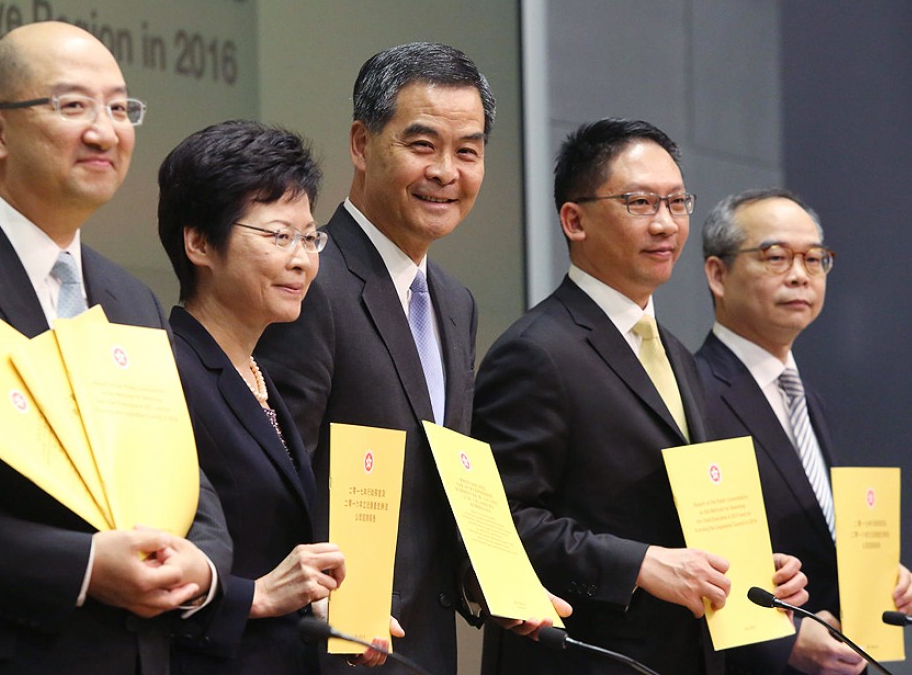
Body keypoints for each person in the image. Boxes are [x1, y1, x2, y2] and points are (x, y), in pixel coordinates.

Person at [0, 21, 231, 675]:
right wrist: (80, 567)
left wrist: (204, 562)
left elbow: (184, 477)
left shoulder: (129, 297)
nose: (106, 131)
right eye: (73, 106)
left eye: (119, 107)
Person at [473, 119, 807, 675]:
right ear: (573, 220)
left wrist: (748, 566)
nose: (665, 224)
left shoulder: (675, 352)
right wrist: (642, 565)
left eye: (677, 203)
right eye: (639, 202)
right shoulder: (536, 352)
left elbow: (673, 517)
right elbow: (500, 525)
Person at [255, 42, 531, 674]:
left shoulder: (454, 302)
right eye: (422, 145)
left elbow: (445, 478)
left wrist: (503, 578)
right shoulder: (310, 281)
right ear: (361, 143)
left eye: (468, 151)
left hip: (421, 647)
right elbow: (272, 480)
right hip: (329, 648)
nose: (446, 172)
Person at [158, 119, 397, 673]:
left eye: (310, 237)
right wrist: (258, 595)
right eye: (277, 236)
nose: (302, 259)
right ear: (198, 242)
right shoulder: (167, 370)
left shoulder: (260, 375)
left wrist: (324, 606)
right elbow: (153, 560)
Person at [695, 188, 912, 675]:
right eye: (775, 257)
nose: (800, 274)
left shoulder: (806, 395)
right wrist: (784, 639)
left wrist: (879, 579)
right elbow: (698, 555)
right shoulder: (694, 392)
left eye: (814, 259)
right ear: (717, 274)